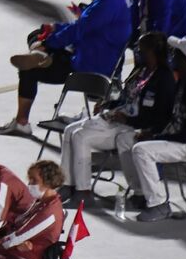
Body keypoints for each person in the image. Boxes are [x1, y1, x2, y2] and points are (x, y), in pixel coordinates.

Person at [0, 0, 133, 138]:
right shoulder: (126, 2)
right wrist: (56, 28)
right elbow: (87, 27)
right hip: (105, 60)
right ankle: (42, 54)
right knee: (39, 34)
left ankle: (22, 122)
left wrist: (50, 41)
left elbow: (78, 31)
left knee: (29, 68)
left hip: (86, 66)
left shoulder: (108, 4)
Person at [60, 31, 175, 204]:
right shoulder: (140, 70)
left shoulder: (164, 78)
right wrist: (108, 105)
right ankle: (68, 184)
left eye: (141, 47)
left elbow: (159, 115)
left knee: (80, 136)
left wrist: (127, 120)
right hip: (118, 119)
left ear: (152, 51)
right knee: (69, 130)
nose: (137, 50)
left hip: (133, 126)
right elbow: (125, 97)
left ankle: (83, 191)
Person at [118, 35, 186, 222]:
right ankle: (140, 193)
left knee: (142, 151)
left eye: (176, 52)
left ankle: (158, 204)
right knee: (125, 139)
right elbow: (174, 119)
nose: (172, 55)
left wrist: (156, 136)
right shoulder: (184, 80)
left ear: (183, 58)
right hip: (179, 136)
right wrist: (152, 132)